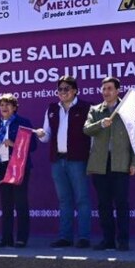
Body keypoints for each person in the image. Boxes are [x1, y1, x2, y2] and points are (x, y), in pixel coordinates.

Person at [33, 76, 93, 249]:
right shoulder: (52, 108)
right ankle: (65, 237)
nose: (62, 92)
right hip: (57, 161)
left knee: (82, 199)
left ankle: (83, 237)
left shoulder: (86, 108)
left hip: (78, 160)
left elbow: (93, 137)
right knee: (64, 200)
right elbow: (47, 136)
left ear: (75, 90)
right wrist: (41, 134)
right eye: (60, 89)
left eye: (66, 89)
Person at [84, 76, 135, 251]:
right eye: (104, 89)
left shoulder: (128, 110)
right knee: (103, 204)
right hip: (100, 164)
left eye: (109, 89)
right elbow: (86, 129)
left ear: (117, 91)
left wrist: (134, 163)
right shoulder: (95, 110)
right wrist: (101, 123)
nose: (106, 92)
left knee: (121, 203)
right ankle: (108, 240)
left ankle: (123, 240)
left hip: (120, 163)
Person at [0, 94, 36, 248]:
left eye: (8, 104)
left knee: (21, 203)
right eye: (1, 105)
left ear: (15, 107)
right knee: (6, 204)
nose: (4, 107)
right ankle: (6, 238)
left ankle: (22, 238)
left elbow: (33, 146)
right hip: (2, 167)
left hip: (19, 167)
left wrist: (14, 144)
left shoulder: (23, 123)